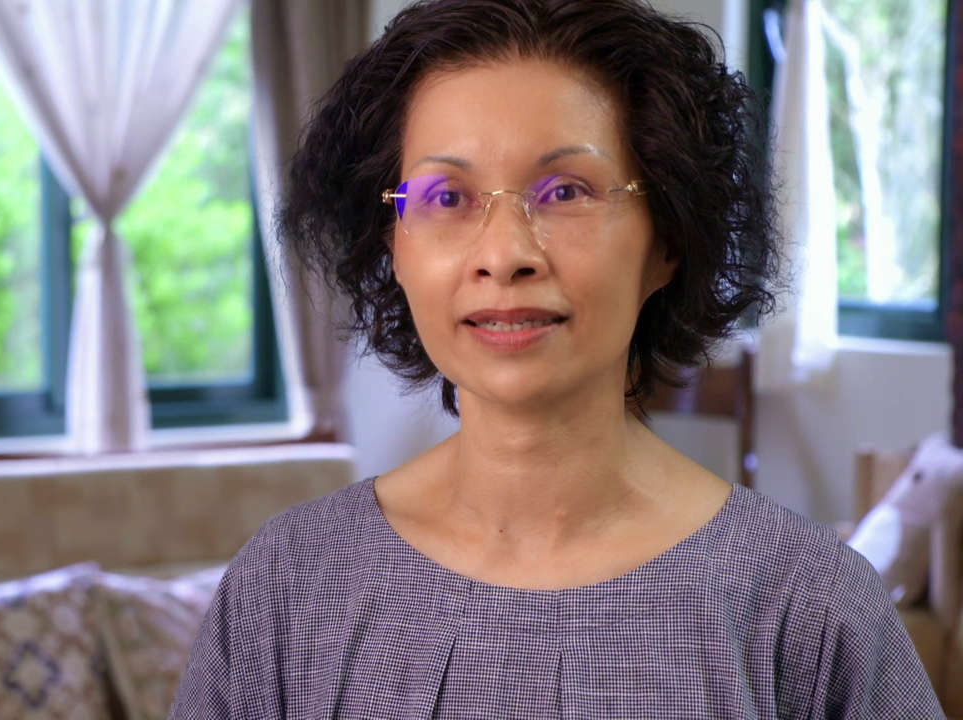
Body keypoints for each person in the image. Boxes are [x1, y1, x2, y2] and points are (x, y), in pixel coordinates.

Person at [169, 0, 944, 717]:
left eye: (566, 191)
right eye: (446, 198)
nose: (504, 254)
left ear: (668, 240)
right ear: (391, 247)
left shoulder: (807, 605)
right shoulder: (286, 585)